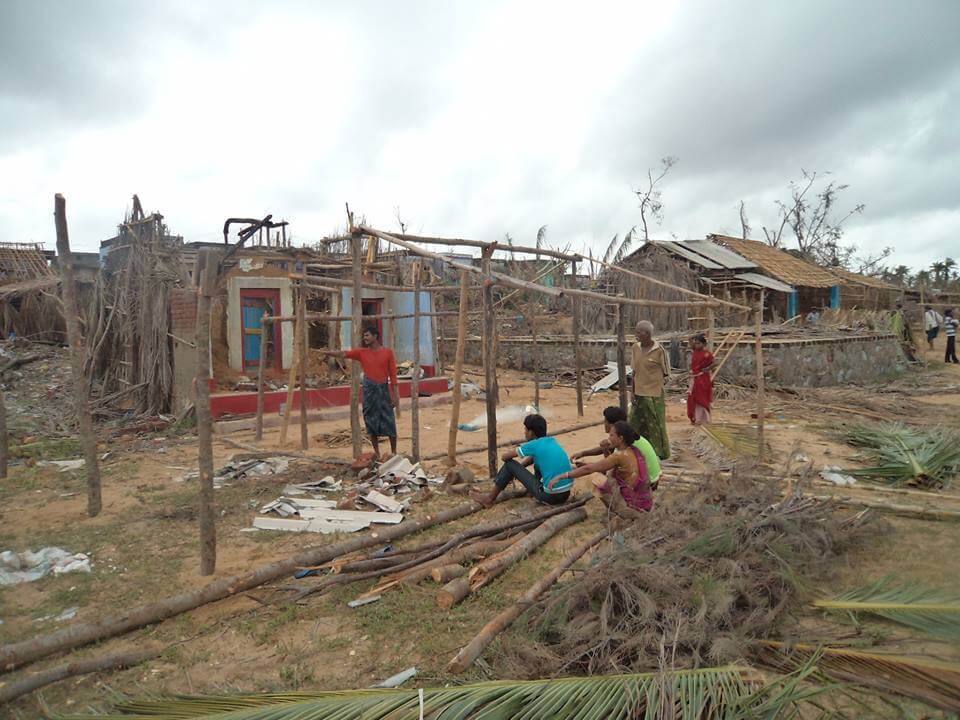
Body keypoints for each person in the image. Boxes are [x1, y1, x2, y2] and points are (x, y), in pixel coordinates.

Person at [321, 324, 398, 459]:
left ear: (375, 336)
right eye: (364, 336)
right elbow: (344, 354)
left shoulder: (388, 353)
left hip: (383, 391)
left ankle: (394, 452)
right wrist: (328, 353)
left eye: (367, 335)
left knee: (389, 421)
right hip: (369, 391)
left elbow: (393, 375)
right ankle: (377, 452)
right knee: (371, 421)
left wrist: (395, 396)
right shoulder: (362, 352)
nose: (365, 338)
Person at [553, 421, 652, 522]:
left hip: (632, 505)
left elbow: (590, 469)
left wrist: (563, 476)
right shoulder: (635, 450)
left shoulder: (619, 456)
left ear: (620, 438)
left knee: (596, 479)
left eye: (611, 435)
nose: (609, 438)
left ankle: (618, 511)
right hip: (644, 502)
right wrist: (601, 452)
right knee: (607, 475)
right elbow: (607, 466)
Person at [471, 414, 572, 507]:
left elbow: (505, 457)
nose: (524, 432)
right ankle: (531, 491)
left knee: (509, 465)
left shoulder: (533, 445)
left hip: (550, 496)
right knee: (538, 462)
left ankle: (489, 499)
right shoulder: (551, 441)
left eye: (525, 429)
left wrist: (515, 470)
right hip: (565, 494)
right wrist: (519, 471)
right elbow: (533, 459)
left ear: (531, 432)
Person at [571, 406, 662, 490]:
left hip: (646, 484)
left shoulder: (624, 444)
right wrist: (583, 454)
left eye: (605, 421)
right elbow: (608, 450)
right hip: (652, 479)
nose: (604, 424)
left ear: (612, 426)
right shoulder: (627, 435)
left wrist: (588, 466)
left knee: (597, 480)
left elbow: (609, 468)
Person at [629, 320, 670, 459]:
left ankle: (659, 454)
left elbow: (666, 374)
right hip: (638, 393)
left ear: (647, 334)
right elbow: (634, 372)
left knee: (656, 426)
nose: (636, 334)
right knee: (634, 424)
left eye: (638, 332)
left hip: (654, 395)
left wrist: (654, 383)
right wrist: (632, 392)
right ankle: (635, 451)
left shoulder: (660, 351)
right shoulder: (635, 348)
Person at [687, 333, 714, 425]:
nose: (697, 345)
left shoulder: (707, 354)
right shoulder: (694, 351)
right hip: (694, 378)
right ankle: (695, 419)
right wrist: (699, 334)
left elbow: (714, 363)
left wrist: (707, 369)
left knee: (702, 399)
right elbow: (689, 338)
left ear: (704, 344)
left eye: (699, 343)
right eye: (696, 343)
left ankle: (704, 419)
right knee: (693, 399)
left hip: (703, 378)